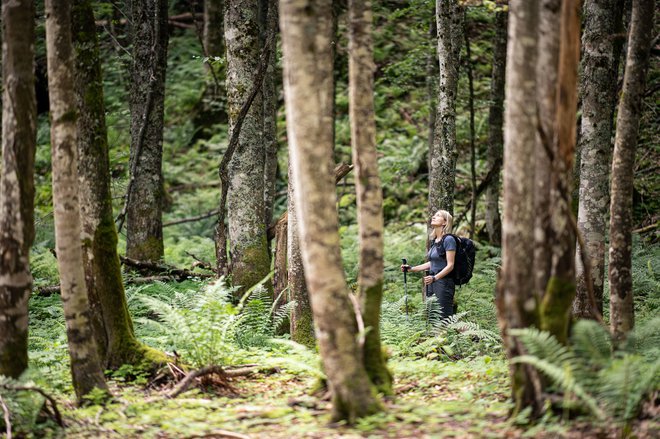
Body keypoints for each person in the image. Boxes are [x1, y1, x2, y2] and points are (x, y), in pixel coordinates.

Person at [401, 210, 456, 321]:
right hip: (432, 281)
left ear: (445, 222)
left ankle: (473, 335)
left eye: (438, 216)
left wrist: (435, 278)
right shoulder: (435, 241)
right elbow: (432, 263)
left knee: (445, 317)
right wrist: (411, 268)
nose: (434, 217)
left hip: (443, 282)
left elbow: (450, 265)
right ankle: (443, 337)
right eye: (434, 215)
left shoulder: (449, 240)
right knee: (434, 315)